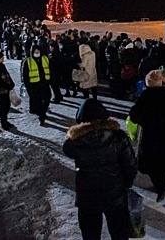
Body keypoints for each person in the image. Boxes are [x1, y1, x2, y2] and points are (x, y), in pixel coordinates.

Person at [63, 99, 137, 240]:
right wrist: (126, 184)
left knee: (90, 235)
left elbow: (67, 149)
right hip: (115, 195)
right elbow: (131, 165)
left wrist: (77, 132)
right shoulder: (118, 137)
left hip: (87, 198)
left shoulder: (76, 142)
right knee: (119, 234)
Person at [129, 70, 165, 202]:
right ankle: (160, 185)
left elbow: (134, 116)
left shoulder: (146, 97)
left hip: (150, 135)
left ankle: (159, 185)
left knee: (151, 161)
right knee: (162, 160)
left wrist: (145, 120)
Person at [22, 44, 52, 125]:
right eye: (35, 51)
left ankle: (43, 112)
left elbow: (50, 69)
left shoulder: (45, 58)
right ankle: (41, 116)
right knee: (37, 101)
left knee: (48, 98)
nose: (37, 52)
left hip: (44, 83)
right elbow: (25, 75)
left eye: (38, 51)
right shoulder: (28, 61)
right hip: (34, 85)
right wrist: (28, 86)